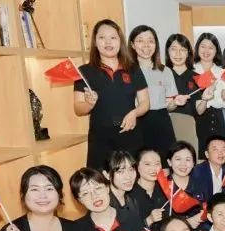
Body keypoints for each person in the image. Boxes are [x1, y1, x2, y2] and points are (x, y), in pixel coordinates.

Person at [74, 19, 150, 168]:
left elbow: (145, 103)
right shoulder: (84, 72)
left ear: (120, 41)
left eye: (113, 37)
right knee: (99, 179)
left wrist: (134, 113)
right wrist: (89, 104)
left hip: (130, 135)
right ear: (95, 42)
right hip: (101, 139)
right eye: (102, 37)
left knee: (132, 176)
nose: (108, 42)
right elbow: (78, 108)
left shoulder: (133, 68)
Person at [130, 25, 181, 159]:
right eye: (140, 40)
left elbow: (169, 106)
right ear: (132, 45)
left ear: (156, 45)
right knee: (138, 163)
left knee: (165, 163)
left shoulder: (165, 71)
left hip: (161, 122)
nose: (146, 45)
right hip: (136, 122)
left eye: (151, 41)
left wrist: (175, 102)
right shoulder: (126, 71)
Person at [192, 32, 225, 155]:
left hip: (217, 119)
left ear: (216, 51)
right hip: (196, 119)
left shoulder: (222, 72)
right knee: (197, 155)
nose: (206, 51)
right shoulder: (191, 71)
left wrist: (224, 98)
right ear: (197, 48)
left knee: (218, 155)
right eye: (203, 46)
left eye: (211, 47)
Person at [131, 147, 169, 231]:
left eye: (157, 164)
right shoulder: (129, 194)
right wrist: (148, 220)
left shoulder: (166, 189)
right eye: (147, 164)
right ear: (137, 166)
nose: (153, 169)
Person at [165, 33, 198, 125]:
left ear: (188, 53)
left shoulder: (197, 78)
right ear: (168, 52)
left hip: (190, 127)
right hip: (166, 125)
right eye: (173, 49)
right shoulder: (161, 76)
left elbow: (199, 111)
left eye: (182, 49)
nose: (178, 54)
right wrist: (174, 103)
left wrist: (205, 100)